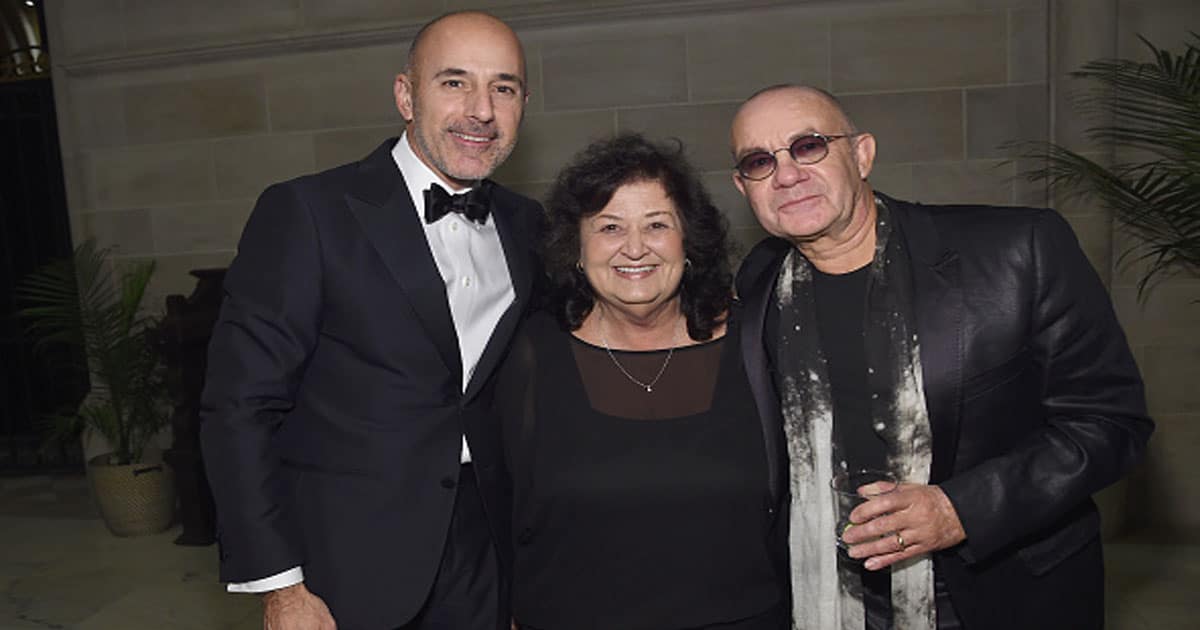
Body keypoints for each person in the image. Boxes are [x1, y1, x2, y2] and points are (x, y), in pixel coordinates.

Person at [729, 85, 1153, 630]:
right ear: (745, 187)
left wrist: (961, 509)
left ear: (861, 154)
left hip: (997, 594)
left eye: (808, 146)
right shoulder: (760, 279)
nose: (786, 174)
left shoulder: (1018, 249)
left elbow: (1112, 422)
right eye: (760, 161)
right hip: (829, 598)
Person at [199, 11, 541, 630]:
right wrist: (281, 585)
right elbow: (239, 406)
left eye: (504, 87)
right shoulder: (308, 212)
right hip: (344, 563)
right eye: (455, 82)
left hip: (487, 553)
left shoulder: (530, 226)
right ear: (406, 96)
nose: (482, 109)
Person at [496, 133, 789, 630]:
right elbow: (497, 513)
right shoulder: (527, 354)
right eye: (609, 227)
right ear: (576, 248)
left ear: (688, 241)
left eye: (657, 224)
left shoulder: (758, 342)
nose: (634, 248)